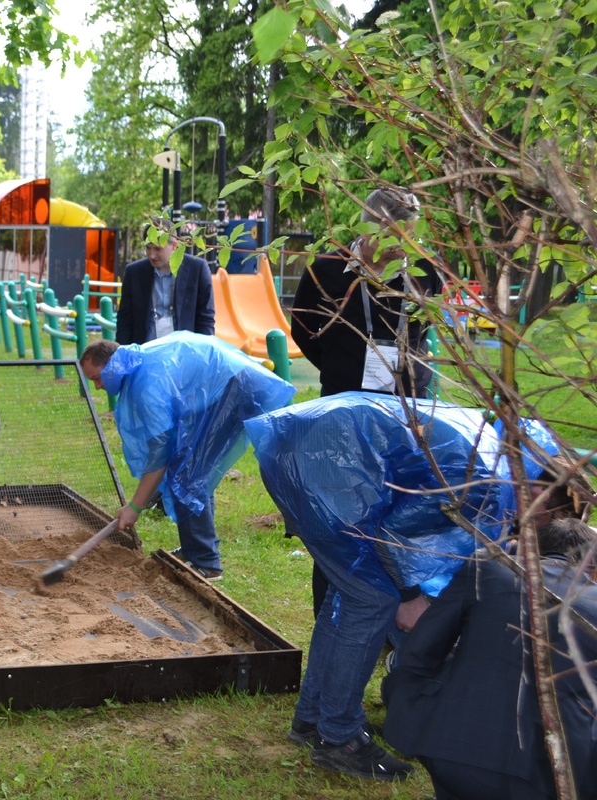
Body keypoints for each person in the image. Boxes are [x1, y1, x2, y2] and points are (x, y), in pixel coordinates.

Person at [289, 187, 445, 618]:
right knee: (337, 517)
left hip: (404, 415)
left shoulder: (426, 273)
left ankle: (390, 621)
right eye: (395, 236)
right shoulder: (326, 269)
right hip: (342, 414)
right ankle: (332, 617)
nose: (403, 247)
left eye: (410, 237)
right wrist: (343, 371)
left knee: (396, 518)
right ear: (369, 227)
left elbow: (423, 334)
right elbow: (305, 332)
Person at [383, 516, 597, 800]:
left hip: (449, 746)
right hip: (550, 774)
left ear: (528, 551)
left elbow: (419, 650)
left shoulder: (489, 570)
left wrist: (406, 702)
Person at [79, 336, 293, 580]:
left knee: (188, 474)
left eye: (96, 378)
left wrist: (135, 506)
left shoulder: (145, 384)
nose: (97, 386)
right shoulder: (135, 365)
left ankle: (206, 563)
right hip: (223, 384)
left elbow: (160, 453)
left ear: (111, 365)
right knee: (189, 468)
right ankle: (196, 550)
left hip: (237, 387)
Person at [115, 219, 215, 346]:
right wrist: (123, 353)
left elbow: (205, 318)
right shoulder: (134, 272)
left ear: (174, 246)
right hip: (145, 350)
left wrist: (203, 354)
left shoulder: (197, 269)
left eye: (157, 249)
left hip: (184, 352)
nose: (152, 255)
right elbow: (125, 319)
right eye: (148, 248)